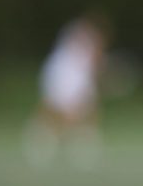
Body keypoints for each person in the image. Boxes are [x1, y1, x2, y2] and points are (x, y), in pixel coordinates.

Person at [24, 16, 108, 168]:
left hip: (67, 74)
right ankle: (44, 141)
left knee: (84, 111)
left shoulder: (76, 39)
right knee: (64, 112)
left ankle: (80, 143)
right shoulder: (82, 43)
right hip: (66, 74)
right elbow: (93, 63)